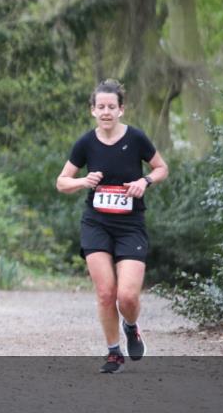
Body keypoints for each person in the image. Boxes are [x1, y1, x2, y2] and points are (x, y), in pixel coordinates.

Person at [55, 80, 168, 373]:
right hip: (96, 223)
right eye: (100, 107)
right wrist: (83, 181)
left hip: (130, 225)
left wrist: (145, 181)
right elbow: (62, 181)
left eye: (111, 107)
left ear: (121, 110)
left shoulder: (137, 138)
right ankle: (113, 352)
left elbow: (161, 168)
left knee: (127, 296)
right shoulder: (85, 143)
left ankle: (131, 327)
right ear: (93, 110)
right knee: (106, 293)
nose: (106, 112)